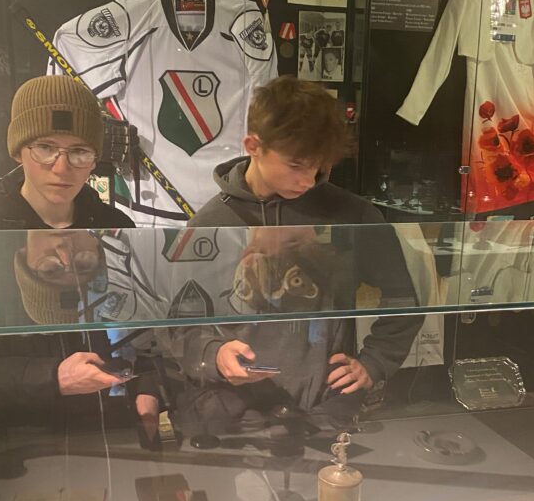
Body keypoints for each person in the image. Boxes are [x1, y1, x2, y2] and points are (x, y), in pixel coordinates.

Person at [0, 75, 158, 480]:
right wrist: (53, 377)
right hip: (18, 450)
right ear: (19, 149)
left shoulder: (116, 228)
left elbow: (146, 328)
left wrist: (149, 389)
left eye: (79, 151)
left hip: (113, 438)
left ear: (95, 157)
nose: (62, 167)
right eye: (46, 147)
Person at [174, 76, 423, 434]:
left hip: (324, 409)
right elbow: (178, 322)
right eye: (296, 165)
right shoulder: (210, 223)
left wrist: (374, 363)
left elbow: (404, 299)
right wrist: (213, 355)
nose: (308, 180)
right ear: (253, 146)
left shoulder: (353, 215)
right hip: (234, 410)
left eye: (318, 167)